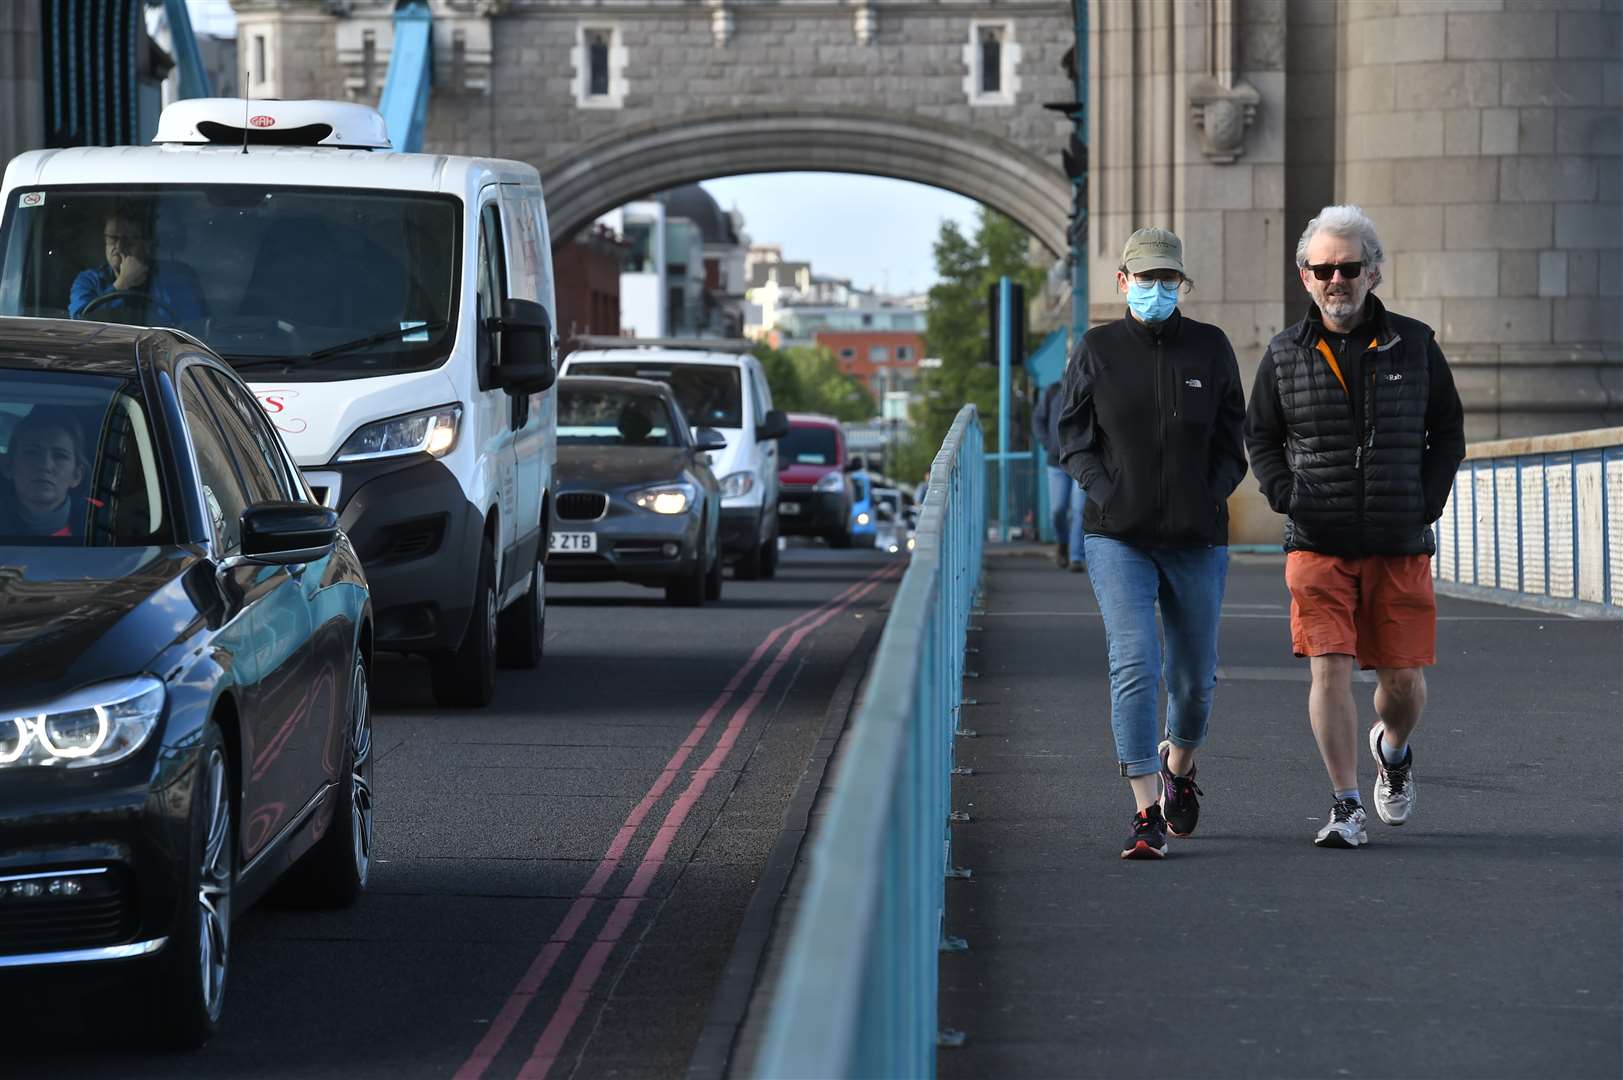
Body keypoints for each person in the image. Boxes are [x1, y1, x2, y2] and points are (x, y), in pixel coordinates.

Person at [1244, 205, 1466, 849]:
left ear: (1373, 272)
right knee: (1329, 671)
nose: (1335, 280)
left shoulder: (1415, 344)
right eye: (1322, 269)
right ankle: (1345, 804)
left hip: (1398, 540)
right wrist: (1287, 494)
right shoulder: (1284, 353)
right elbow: (1261, 435)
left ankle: (1392, 751)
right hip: (1317, 541)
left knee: (1402, 685)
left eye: (1348, 268)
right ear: (1304, 277)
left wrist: (1426, 499)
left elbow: (1447, 430)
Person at [1058, 227, 1248, 860]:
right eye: (1146, 280)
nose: (1157, 290)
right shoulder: (1098, 349)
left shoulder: (1211, 348)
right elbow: (1073, 436)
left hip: (1197, 537)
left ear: (1182, 284)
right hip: (1118, 536)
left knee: (1193, 679)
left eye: (1169, 281)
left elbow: (1232, 439)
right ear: (1123, 283)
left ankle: (1180, 766)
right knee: (1134, 661)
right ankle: (1144, 809)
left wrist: (1212, 492)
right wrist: (1106, 491)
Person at [68, 209, 204, 325]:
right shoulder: (88, 280)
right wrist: (122, 284)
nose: (119, 246)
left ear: (147, 245)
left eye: (129, 240)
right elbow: (79, 322)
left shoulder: (178, 278)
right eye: (112, 238)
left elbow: (192, 327)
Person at [0, 408, 93, 540]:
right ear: (8, 466)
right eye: (32, 453)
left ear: (77, 475)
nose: (45, 465)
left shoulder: (102, 526)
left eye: (59, 456)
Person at [1032, 379, 1084, 570]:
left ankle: (1076, 557)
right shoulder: (1052, 390)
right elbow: (1037, 419)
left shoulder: (1090, 385)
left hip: (1082, 460)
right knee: (1057, 511)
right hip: (1056, 461)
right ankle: (1063, 543)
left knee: (1079, 510)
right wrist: (1047, 443)